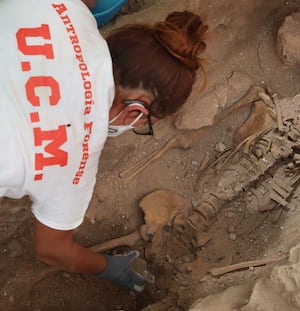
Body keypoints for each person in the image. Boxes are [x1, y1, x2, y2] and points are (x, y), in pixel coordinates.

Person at [0, 0, 207, 292]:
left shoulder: (63, 7)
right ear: (137, 111)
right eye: (146, 123)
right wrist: (109, 268)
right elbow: (52, 250)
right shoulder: (75, 159)